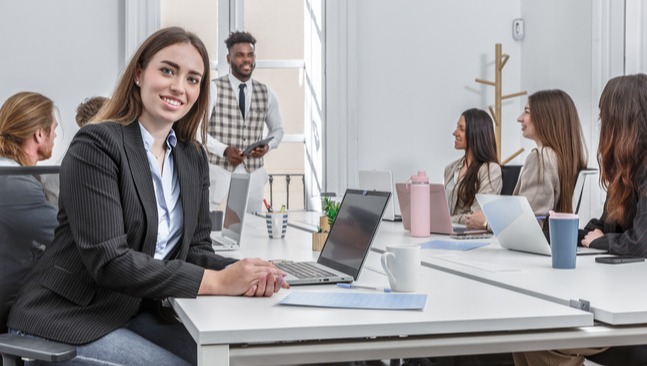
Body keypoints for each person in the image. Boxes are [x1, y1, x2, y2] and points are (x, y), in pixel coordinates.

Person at [7, 27, 288, 366]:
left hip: (128, 310)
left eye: (192, 79)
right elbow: (110, 262)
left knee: (235, 359)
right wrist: (218, 281)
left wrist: (248, 272)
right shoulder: (96, 145)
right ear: (139, 74)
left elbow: (196, 251)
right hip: (65, 317)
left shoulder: (191, 156)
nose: (179, 87)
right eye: (168, 70)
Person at [513, 74, 647, 366]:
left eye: (604, 117)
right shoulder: (625, 173)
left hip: (635, 310)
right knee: (525, 337)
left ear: (622, 119)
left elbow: (639, 242)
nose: (601, 125)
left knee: (539, 340)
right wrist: (563, 235)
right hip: (623, 296)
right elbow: (601, 226)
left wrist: (600, 240)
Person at [466, 90, 587, 230]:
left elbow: (529, 221)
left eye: (527, 112)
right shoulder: (564, 158)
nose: (520, 118)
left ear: (546, 117)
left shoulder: (541, 157)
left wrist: (487, 223)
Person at [205, 30, 284, 213]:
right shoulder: (213, 89)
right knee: (214, 231)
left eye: (250, 55)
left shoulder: (266, 93)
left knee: (253, 229)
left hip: (254, 176)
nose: (246, 59)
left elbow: (278, 130)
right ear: (228, 58)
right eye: (240, 55)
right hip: (220, 172)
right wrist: (224, 150)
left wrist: (267, 147)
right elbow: (198, 132)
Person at [0, 92, 59, 331]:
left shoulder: (13, 174)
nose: (55, 136)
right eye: (54, 129)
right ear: (39, 133)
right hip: (11, 304)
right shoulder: (12, 182)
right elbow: (62, 235)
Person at [444, 108, 502, 226]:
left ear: (476, 133)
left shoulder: (491, 170)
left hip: (470, 236)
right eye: (457, 127)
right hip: (447, 232)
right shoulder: (450, 168)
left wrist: (445, 220)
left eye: (462, 129)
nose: (455, 132)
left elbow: (476, 218)